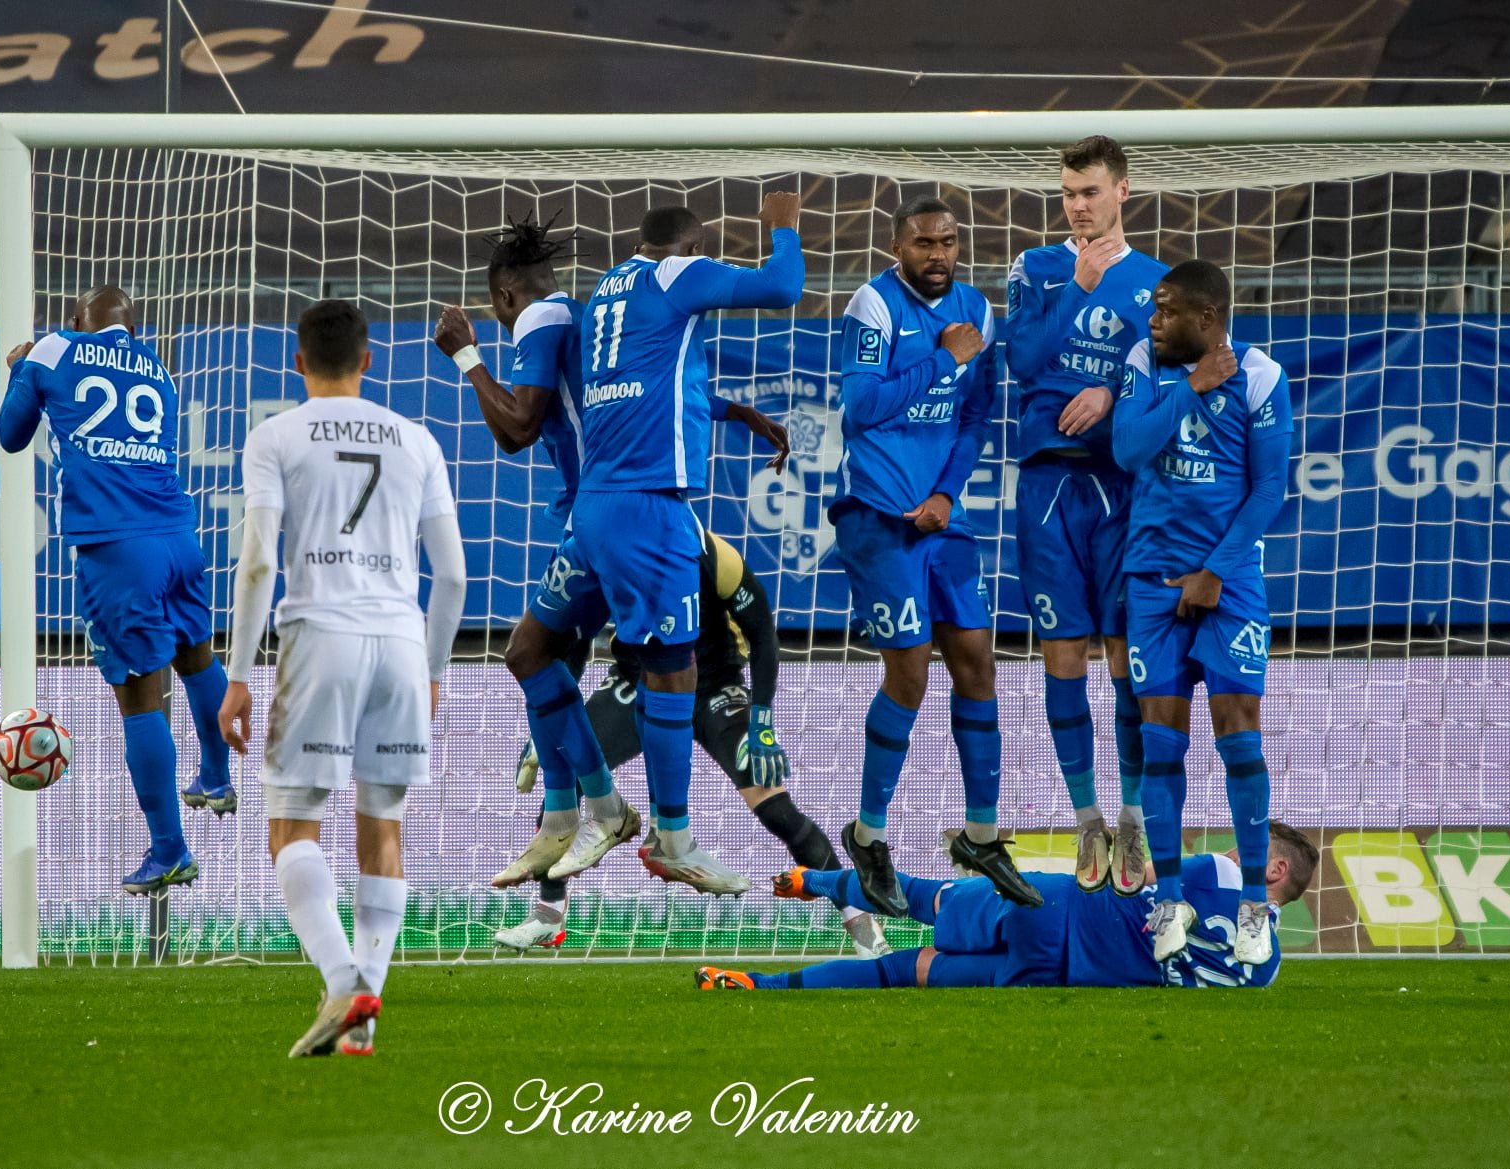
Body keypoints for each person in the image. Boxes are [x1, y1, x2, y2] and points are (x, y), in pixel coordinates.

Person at [432, 214, 791, 894]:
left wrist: (467, 356)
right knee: (536, 655)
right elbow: (642, 389)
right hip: (603, 510)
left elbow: (517, 428)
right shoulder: (592, 317)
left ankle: (628, 827)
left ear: (506, 298)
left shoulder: (539, 319)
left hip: (603, 512)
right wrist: (731, 410)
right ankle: (587, 814)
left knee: (638, 666)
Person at [530, 194, 804, 895]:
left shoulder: (606, 292)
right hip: (651, 509)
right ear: (690, 245)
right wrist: (781, 223)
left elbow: (642, 385)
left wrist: (732, 408)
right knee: (673, 673)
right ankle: (667, 837)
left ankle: (581, 807)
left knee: (532, 650)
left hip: (595, 506)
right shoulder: (679, 274)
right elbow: (783, 286)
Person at [217, 299, 467, 1058]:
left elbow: (259, 561)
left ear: (298, 362)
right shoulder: (417, 439)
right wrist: (430, 669)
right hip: (397, 638)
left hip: (318, 636)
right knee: (382, 826)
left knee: (292, 824)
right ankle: (366, 1017)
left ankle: (338, 979)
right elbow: (452, 575)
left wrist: (237, 674)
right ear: (367, 361)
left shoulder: (275, 436)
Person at [496, 532, 888, 958]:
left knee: (775, 807)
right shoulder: (608, 546)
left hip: (715, 688)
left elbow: (762, 635)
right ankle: (549, 916)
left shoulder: (716, 557)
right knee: (568, 769)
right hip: (637, 679)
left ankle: (860, 919)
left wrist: (762, 720)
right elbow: (566, 638)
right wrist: (548, 729)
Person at [830, 196, 1037, 918]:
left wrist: (949, 491)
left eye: (948, 241)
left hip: (941, 516)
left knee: (978, 660)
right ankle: (868, 833)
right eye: (924, 242)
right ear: (897, 245)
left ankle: (981, 834)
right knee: (910, 674)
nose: (938, 253)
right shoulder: (873, 306)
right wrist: (941, 359)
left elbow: (976, 414)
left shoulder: (980, 309)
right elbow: (861, 408)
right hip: (880, 514)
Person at [0, 285, 235, 898]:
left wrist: (22, 369)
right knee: (196, 655)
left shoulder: (54, 349)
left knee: (138, 698)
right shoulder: (159, 369)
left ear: (78, 322)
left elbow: (11, 434)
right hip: (180, 535)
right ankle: (215, 774)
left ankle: (169, 850)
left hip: (117, 546)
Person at [1110, 260, 1294, 966]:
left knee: (1238, 731)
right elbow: (1128, 449)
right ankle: (1170, 902)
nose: (1151, 321)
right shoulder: (1144, 363)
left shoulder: (1261, 376)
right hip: (1153, 584)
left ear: (1207, 320)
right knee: (1161, 743)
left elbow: (1269, 488)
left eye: (1165, 311)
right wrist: (1191, 388)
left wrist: (1216, 570)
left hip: (1229, 582)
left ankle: (1253, 903)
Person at [1003, 136, 1169, 893]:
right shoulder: (1036, 269)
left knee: (1124, 655)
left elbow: (1169, 392)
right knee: (1063, 657)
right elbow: (1024, 362)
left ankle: (1133, 816)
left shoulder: (1158, 285)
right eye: (1069, 193)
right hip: (1046, 493)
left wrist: (1113, 394)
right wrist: (1075, 285)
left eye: (1091, 192)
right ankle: (1088, 819)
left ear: (1123, 191)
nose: (1078, 205)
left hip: (1119, 488)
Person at [695, 821, 1317, 992]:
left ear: (1275, 867)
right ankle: (761, 985)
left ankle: (816, 882)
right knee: (905, 971)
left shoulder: (1226, 871)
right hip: (1055, 974)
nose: (1232, 845)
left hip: (1051, 909)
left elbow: (1137, 876)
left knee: (922, 899)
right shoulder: (1264, 970)